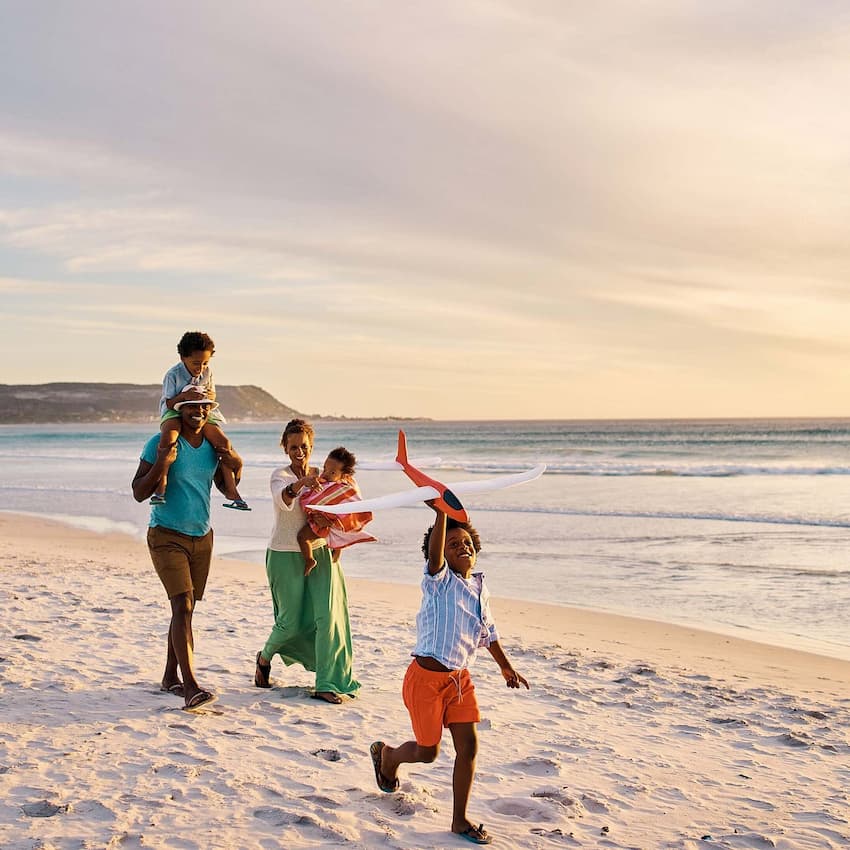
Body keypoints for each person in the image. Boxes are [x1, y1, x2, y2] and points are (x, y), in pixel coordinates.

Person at [369, 504, 529, 846]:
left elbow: (488, 631)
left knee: (469, 747)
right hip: (425, 680)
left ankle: (459, 820)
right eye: (452, 544)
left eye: (467, 541)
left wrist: (505, 665)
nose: (462, 547)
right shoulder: (439, 582)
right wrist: (442, 513)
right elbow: (435, 555)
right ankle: (390, 756)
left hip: (460, 681)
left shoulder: (480, 589)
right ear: (440, 553)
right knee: (429, 753)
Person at [132, 394, 243, 711]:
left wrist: (236, 465)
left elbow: (224, 487)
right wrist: (162, 466)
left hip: (202, 536)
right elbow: (139, 491)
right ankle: (190, 687)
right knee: (182, 605)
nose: (200, 411)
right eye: (193, 406)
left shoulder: (212, 447)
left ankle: (170, 677)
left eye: (206, 406)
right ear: (179, 409)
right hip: (166, 534)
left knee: (186, 608)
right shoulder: (160, 442)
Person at [254, 419, 361, 704]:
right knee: (289, 623)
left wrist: (340, 536)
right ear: (285, 448)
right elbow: (285, 497)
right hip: (284, 554)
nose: (298, 451)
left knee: (327, 619)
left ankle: (326, 683)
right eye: (293, 447)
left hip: (322, 552)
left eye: (303, 446)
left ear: (311, 446)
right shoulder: (280, 475)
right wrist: (303, 483)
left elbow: (347, 500)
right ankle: (263, 660)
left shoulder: (325, 474)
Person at [152, 330, 249, 511]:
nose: (201, 368)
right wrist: (184, 396)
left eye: (205, 363)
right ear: (183, 358)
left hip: (201, 410)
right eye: (196, 363)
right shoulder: (172, 374)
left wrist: (204, 396)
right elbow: (170, 402)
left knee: (224, 444)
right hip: (174, 411)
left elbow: (212, 394)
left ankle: (232, 491)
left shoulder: (207, 372)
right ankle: (160, 488)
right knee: (168, 441)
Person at [297, 446, 376, 576]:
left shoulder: (344, 488)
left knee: (302, 537)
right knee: (314, 538)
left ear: (344, 475)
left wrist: (331, 522)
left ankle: (309, 560)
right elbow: (317, 496)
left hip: (329, 523)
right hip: (319, 520)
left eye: (332, 472)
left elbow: (353, 508)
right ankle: (334, 550)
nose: (326, 474)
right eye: (325, 468)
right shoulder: (324, 482)